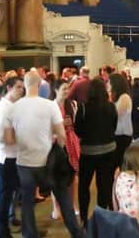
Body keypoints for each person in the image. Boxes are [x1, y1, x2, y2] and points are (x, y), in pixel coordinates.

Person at [5, 71, 81, 238]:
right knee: (63, 198)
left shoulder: (14, 108)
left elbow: (9, 139)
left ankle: (29, 234)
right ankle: (77, 233)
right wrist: (53, 141)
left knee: (27, 202)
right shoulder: (49, 105)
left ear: (24, 85)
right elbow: (61, 135)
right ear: (40, 85)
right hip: (48, 161)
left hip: (24, 162)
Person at [74, 77, 117, 226]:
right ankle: (101, 216)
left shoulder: (83, 107)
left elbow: (77, 130)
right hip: (108, 150)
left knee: (84, 186)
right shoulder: (111, 106)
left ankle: (84, 219)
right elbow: (114, 126)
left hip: (88, 152)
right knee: (103, 185)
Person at [0, 76, 24, 238]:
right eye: (18, 87)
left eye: (22, 87)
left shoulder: (12, 106)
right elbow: (0, 136)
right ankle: (2, 233)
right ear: (9, 88)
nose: (22, 90)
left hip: (11, 157)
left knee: (10, 196)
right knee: (5, 197)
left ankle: (4, 232)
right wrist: (22, 137)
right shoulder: (4, 108)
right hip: (5, 158)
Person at [52, 83, 80, 220]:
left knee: (72, 176)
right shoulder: (51, 106)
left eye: (68, 88)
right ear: (56, 90)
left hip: (71, 143)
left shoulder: (73, 105)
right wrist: (60, 125)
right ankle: (56, 207)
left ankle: (72, 204)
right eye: (63, 89)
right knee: (55, 177)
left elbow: (77, 123)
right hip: (56, 143)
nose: (67, 91)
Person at [110, 73, 133, 168]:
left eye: (109, 82)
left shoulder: (124, 97)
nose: (107, 84)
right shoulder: (119, 97)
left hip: (123, 135)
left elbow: (114, 114)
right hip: (118, 134)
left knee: (120, 163)